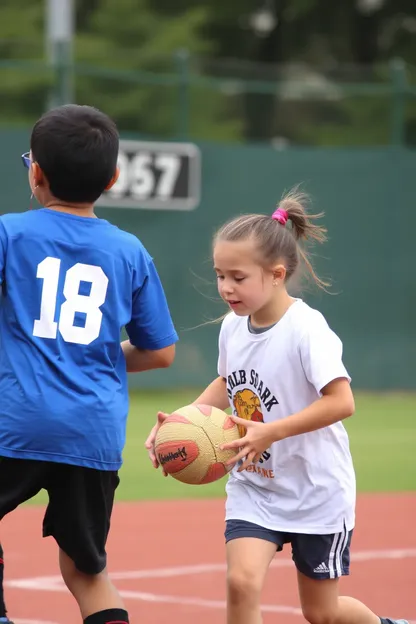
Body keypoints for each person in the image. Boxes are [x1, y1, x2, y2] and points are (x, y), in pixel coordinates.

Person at [145, 191, 408, 624]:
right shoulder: (232, 327)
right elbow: (228, 382)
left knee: (321, 613)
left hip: (316, 491)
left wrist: (272, 431)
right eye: (219, 275)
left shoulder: (307, 330)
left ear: (276, 274)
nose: (225, 287)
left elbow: (342, 402)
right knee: (241, 582)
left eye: (238, 277)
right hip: (256, 487)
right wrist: (179, 420)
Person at [0, 104, 178, 624]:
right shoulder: (129, 251)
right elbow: (160, 351)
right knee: (85, 571)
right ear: (114, 178)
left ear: (35, 172)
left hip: (17, 421)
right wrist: (94, 355)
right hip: (92, 435)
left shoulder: (10, 233)